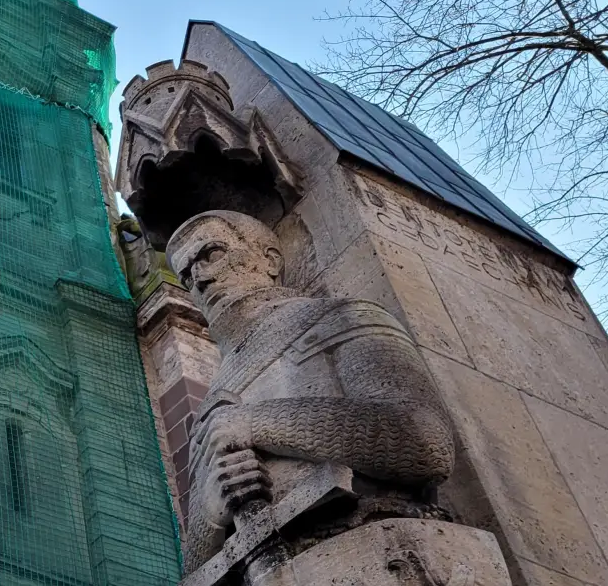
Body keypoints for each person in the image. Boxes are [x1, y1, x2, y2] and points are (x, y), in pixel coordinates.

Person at [166, 210, 454, 572]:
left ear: (268, 260)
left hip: (377, 554)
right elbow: (194, 570)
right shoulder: (210, 407)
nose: (201, 279)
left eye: (211, 255)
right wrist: (210, 517)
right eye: (187, 275)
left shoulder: (340, 317)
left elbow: (427, 445)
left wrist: (256, 423)